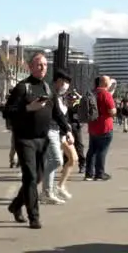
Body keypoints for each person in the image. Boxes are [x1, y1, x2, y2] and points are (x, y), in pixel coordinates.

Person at [4, 52, 73, 229]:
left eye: (45, 65)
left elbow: (57, 113)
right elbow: (8, 111)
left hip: (42, 140)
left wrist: (68, 129)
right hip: (24, 139)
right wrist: (28, 107)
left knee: (37, 178)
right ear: (31, 67)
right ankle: (34, 216)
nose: (42, 67)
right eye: (38, 64)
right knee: (30, 177)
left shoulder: (48, 89)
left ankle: (15, 206)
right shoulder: (22, 87)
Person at [42, 70, 73, 204]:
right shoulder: (49, 93)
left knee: (52, 161)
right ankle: (47, 192)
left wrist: (66, 129)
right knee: (56, 160)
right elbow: (57, 114)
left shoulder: (58, 95)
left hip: (55, 130)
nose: (66, 85)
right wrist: (67, 130)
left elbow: (60, 114)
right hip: (48, 129)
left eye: (67, 83)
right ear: (57, 81)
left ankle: (48, 191)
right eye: (64, 82)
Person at [84, 75, 116, 181]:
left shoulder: (92, 92)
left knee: (92, 150)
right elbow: (112, 111)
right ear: (106, 83)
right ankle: (99, 174)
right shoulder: (106, 94)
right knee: (102, 150)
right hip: (104, 127)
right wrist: (114, 112)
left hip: (92, 126)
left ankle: (88, 173)